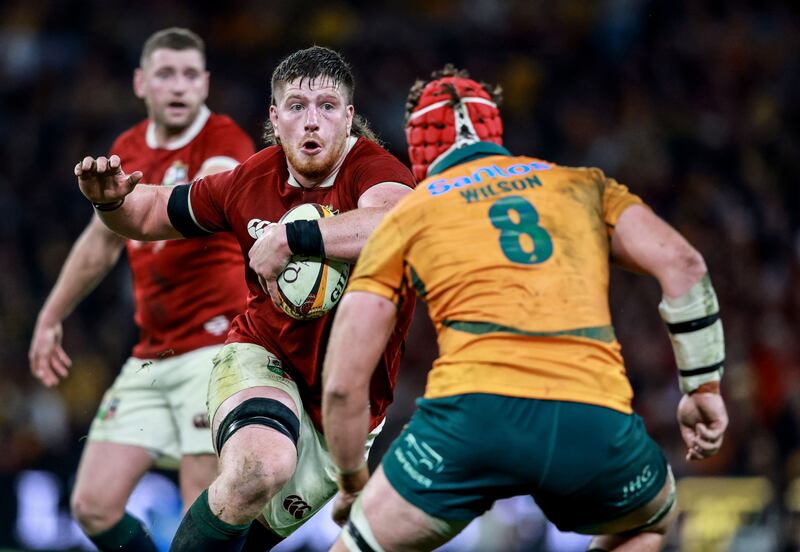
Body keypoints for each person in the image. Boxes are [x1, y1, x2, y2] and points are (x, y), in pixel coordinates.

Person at [321, 65, 729, 552]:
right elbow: (683, 264)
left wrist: (352, 482)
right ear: (495, 131)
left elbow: (343, 384)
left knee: (358, 546)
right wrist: (702, 388)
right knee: (650, 519)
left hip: (471, 418)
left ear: (419, 146)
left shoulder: (408, 214)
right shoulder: (581, 185)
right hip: (591, 415)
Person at [72, 46, 416, 551]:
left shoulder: (376, 171)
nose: (312, 120)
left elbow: (396, 224)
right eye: (296, 106)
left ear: (348, 118)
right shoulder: (251, 179)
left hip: (346, 414)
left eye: (326, 105)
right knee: (260, 468)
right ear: (275, 119)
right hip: (264, 358)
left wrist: (290, 237)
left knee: (239, 539)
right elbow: (152, 211)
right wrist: (112, 202)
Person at [28, 28, 255, 552]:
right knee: (92, 505)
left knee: (202, 507)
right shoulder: (127, 149)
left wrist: (119, 206)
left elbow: (200, 200)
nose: (178, 85)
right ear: (140, 83)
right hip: (152, 354)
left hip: (215, 349)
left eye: (190, 75)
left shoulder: (225, 141)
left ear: (205, 84)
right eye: (165, 73)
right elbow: (99, 243)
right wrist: (50, 315)